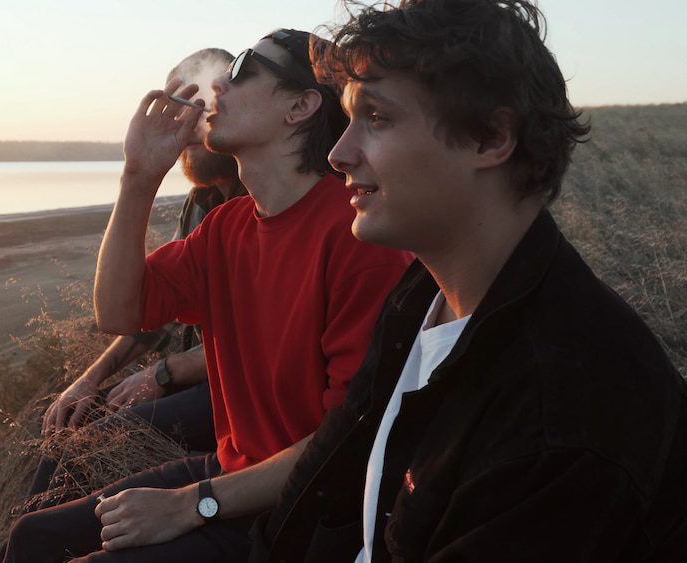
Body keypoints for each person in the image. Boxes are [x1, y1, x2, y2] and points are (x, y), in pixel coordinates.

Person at [249, 1, 687, 561]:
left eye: (377, 118)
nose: (339, 153)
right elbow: (318, 484)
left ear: (488, 137)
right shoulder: (423, 297)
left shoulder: (564, 418)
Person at [1, 29, 412, 562]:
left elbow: (343, 443)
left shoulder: (354, 237)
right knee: (31, 540)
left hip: (300, 509)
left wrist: (193, 504)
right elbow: (119, 310)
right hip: (233, 469)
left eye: (242, 68)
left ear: (300, 105)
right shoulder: (227, 227)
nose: (218, 82)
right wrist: (138, 177)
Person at [29, 48, 245, 505]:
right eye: (173, 108)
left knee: (91, 446)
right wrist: (91, 376)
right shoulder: (201, 204)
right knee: (69, 422)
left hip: (233, 388)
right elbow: (153, 314)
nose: (184, 124)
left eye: (200, 104)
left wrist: (165, 373)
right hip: (199, 379)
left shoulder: (259, 200)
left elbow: (265, 329)